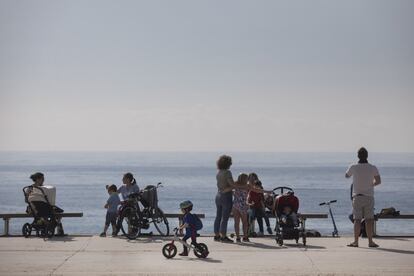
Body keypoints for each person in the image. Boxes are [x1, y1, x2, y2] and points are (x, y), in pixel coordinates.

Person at [346, 147, 381, 248]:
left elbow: (346, 175)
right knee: (369, 220)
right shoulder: (372, 167)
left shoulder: (354, 166)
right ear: (367, 156)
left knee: (356, 220)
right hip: (369, 196)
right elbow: (378, 181)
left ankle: (355, 242)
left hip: (357, 196)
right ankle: (370, 242)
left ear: (358, 156)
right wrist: (371, 184)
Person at [214, 155, 237, 243]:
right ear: (228, 163)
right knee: (225, 217)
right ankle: (223, 236)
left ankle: (216, 235)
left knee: (218, 216)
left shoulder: (219, 172)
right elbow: (231, 184)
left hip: (218, 195)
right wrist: (237, 185)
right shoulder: (227, 172)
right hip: (226, 196)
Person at [232, 173, 250, 242]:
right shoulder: (247, 186)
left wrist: (234, 193)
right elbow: (256, 190)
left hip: (235, 205)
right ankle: (245, 237)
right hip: (243, 205)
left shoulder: (235, 184)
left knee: (236, 222)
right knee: (244, 222)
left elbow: (229, 189)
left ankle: (238, 237)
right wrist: (266, 191)